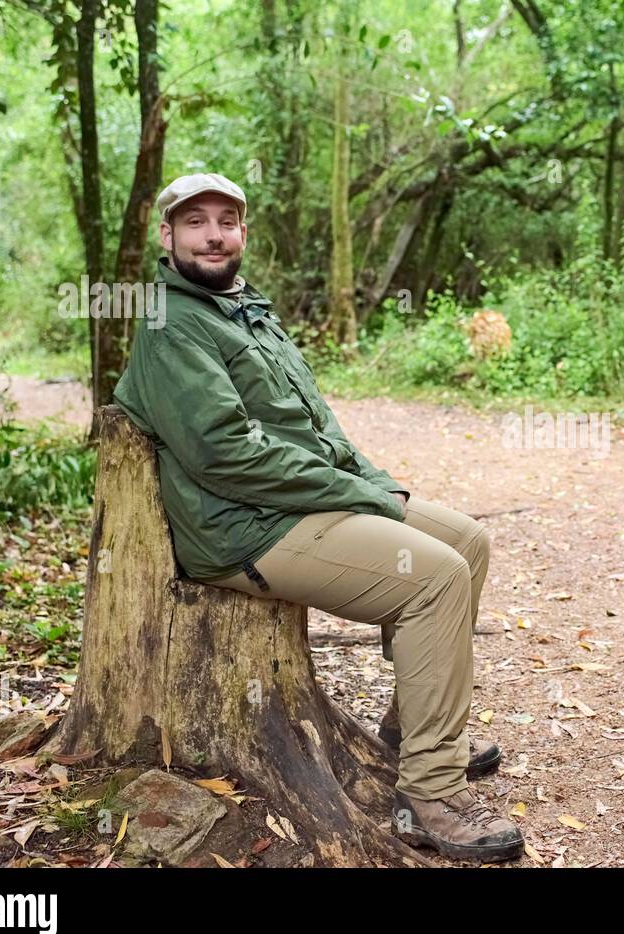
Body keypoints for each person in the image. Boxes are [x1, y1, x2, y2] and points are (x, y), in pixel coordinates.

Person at [113, 172, 524, 863]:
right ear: (167, 236)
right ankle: (430, 797)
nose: (214, 234)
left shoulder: (247, 310)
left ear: (243, 232)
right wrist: (352, 494)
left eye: (227, 221)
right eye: (195, 222)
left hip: (297, 498)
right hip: (245, 528)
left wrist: (374, 483)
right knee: (436, 578)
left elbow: (318, 425)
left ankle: (415, 733)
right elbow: (226, 455)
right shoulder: (169, 323)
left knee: (467, 541)